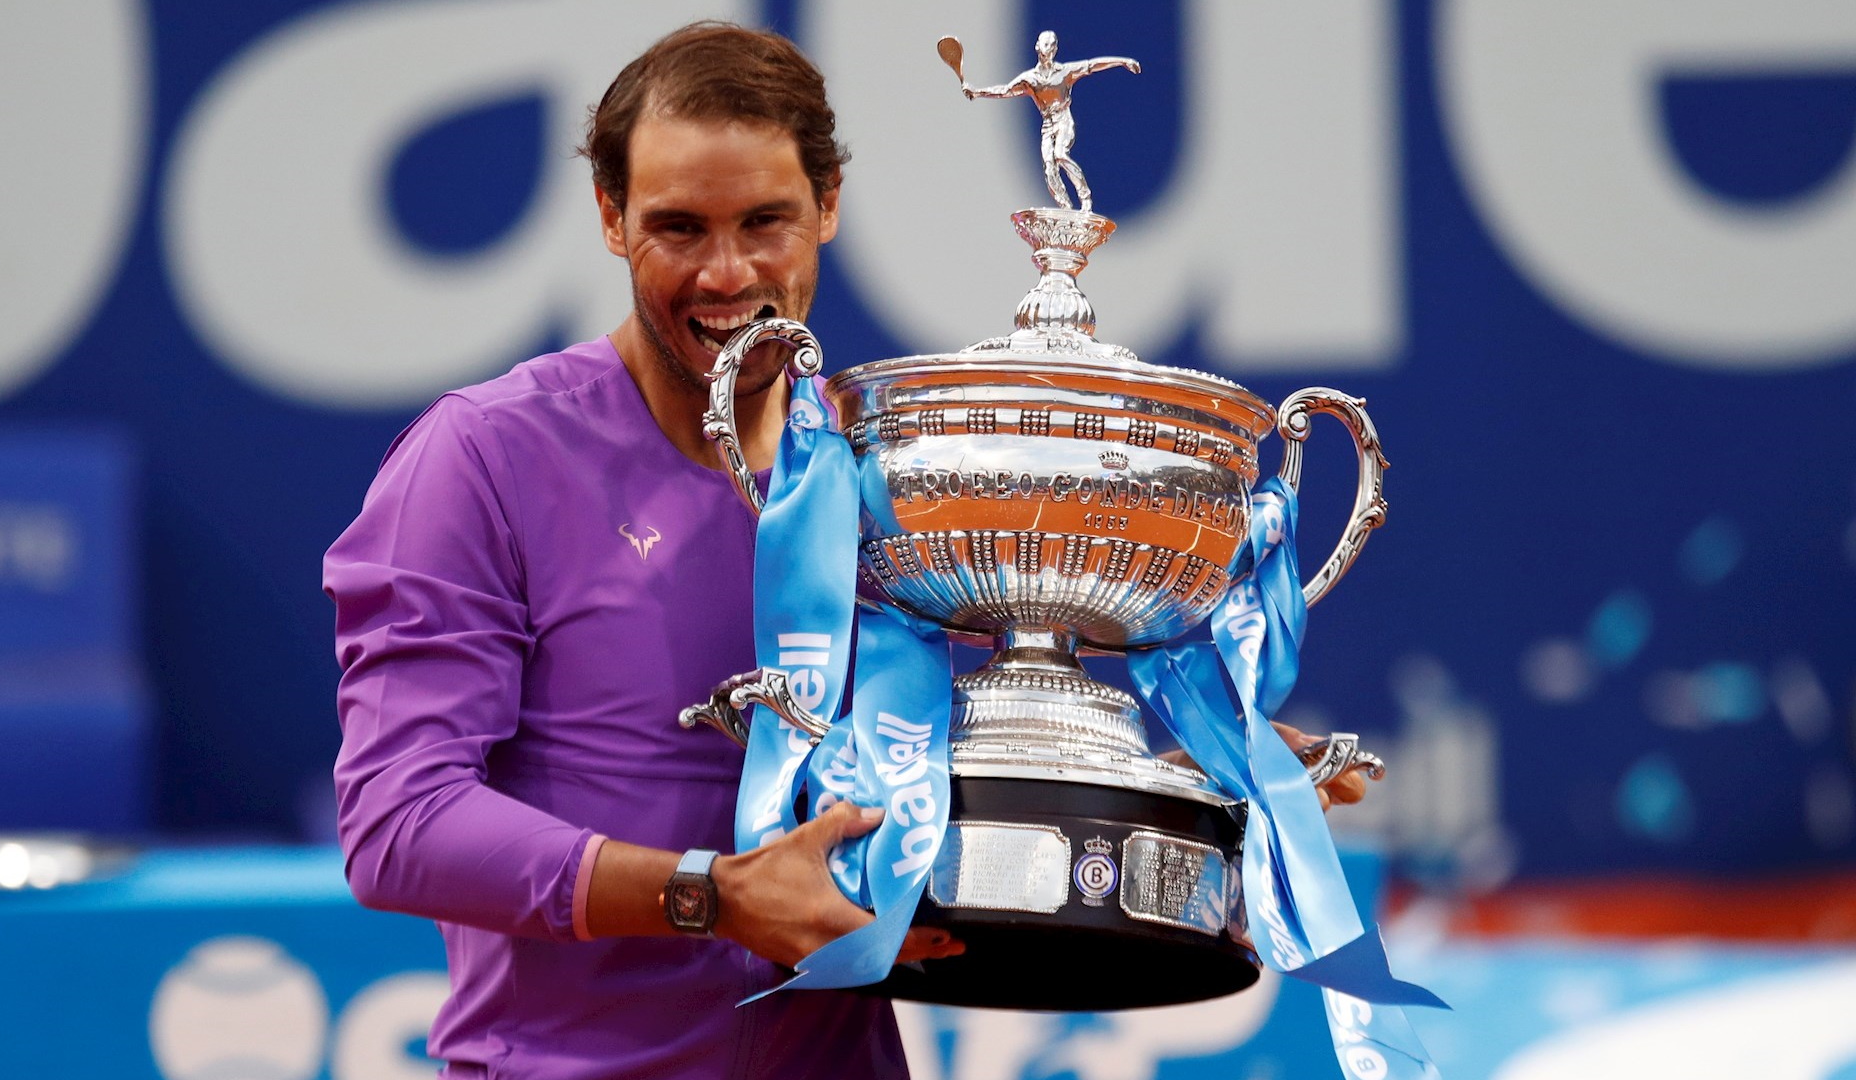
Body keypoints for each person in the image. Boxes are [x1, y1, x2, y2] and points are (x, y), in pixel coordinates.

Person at [326, 20, 1366, 1080]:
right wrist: (710, 895)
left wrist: (1169, 783)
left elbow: (913, 784)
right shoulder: (482, 457)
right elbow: (398, 824)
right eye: (678, 228)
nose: (725, 274)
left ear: (828, 206)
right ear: (609, 217)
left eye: (766, 222)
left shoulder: (887, 469)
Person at [960, 30, 1140, 213]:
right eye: (1047, 44)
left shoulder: (1065, 72)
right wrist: (977, 92)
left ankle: (1085, 198)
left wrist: (1123, 61)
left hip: (1063, 120)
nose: (1051, 48)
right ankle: (1066, 207)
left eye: (1053, 45)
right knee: (1049, 168)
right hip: (1048, 125)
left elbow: (1092, 65)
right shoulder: (1029, 79)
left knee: (1060, 154)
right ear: (1038, 47)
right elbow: (1005, 90)